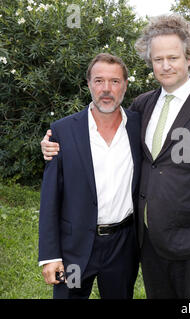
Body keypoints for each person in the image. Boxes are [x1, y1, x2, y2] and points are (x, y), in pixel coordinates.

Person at [41, 14, 190, 299]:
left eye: (172, 57)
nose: (165, 65)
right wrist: (52, 144)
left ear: (189, 58)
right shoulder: (142, 107)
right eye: (157, 59)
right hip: (149, 246)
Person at [38, 53, 141, 299]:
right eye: (99, 80)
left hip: (122, 246)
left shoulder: (138, 126)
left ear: (125, 85)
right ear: (88, 84)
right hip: (74, 247)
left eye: (115, 81)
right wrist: (50, 255)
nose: (106, 89)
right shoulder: (63, 130)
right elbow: (50, 197)